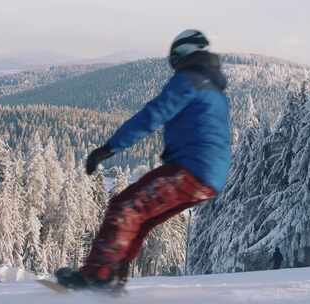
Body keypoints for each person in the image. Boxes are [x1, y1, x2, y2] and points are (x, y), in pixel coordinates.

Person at [55, 29, 231, 292]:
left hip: (191, 169)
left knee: (125, 207)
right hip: (209, 178)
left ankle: (99, 275)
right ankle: (112, 278)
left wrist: (110, 147)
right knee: (141, 219)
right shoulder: (213, 88)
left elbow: (153, 114)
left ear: (182, 54)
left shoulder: (189, 79)